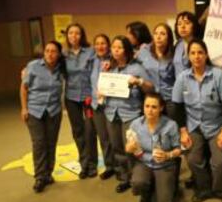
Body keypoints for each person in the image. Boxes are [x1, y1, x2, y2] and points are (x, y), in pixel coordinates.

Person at [172, 39, 222, 202]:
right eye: (192, 53)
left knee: (220, 161)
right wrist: (183, 132)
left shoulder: (218, 75)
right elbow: (177, 106)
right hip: (193, 126)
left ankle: (221, 190)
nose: (196, 56)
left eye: (200, 52)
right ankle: (204, 188)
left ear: (206, 55)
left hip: (216, 126)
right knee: (193, 159)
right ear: (188, 56)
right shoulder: (182, 78)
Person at [103, 35, 154, 193]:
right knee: (117, 146)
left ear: (126, 50)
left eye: (119, 47)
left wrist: (138, 82)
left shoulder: (136, 68)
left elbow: (150, 88)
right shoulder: (109, 68)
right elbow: (104, 87)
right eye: (113, 48)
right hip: (111, 112)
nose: (116, 50)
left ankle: (137, 178)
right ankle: (125, 177)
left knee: (132, 148)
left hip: (130, 113)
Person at [20, 41, 66, 193]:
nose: (50, 54)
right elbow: (24, 88)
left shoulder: (62, 68)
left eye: (53, 51)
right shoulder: (33, 66)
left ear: (58, 54)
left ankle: (48, 174)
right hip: (34, 110)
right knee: (39, 143)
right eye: (47, 51)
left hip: (53, 110)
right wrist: (24, 108)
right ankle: (40, 177)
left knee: (51, 143)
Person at [126, 92, 181, 202]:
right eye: (147, 106)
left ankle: (169, 185)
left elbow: (179, 149)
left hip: (165, 164)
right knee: (138, 183)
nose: (150, 110)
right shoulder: (135, 124)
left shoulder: (171, 125)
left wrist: (168, 155)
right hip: (144, 163)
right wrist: (129, 148)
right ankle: (145, 195)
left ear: (161, 108)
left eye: (154, 107)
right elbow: (128, 147)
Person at [63, 23, 98, 179]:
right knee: (78, 131)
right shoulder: (63, 54)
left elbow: (97, 70)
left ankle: (92, 165)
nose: (74, 36)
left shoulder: (90, 52)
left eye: (77, 33)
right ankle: (84, 164)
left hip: (88, 97)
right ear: (67, 36)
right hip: (71, 97)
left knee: (90, 131)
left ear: (81, 35)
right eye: (71, 33)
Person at [90, 34, 115, 180]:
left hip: (111, 105)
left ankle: (121, 167)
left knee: (115, 138)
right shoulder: (92, 61)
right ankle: (109, 166)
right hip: (96, 105)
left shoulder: (115, 60)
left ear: (109, 45)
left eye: (103, 43)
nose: (100, 46)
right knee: (103, 138)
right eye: (97, 43)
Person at [137, 23, 176, 118]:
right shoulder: (144, 51)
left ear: (169, 37)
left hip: (169, 99)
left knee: (171, 129)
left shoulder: (174, 53)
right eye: (156, 33)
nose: (158, 37)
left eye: (162, 34)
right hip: (151, 98)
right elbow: (131, 62)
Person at [173, 11, 202, 77]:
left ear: (194, 25)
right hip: (179, 85)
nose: (182, 26)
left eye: (187, 23)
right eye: (179, 24)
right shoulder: (178, 44)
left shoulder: (200, 45)